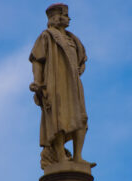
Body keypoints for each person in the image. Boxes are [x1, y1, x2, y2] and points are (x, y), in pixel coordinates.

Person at [29, 3, 93, 168]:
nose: (68, 18)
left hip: (73, 83)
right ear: (54, 18)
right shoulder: (47, 36)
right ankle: (60, 156)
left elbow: (81, 59)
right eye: (64, 15)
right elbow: (37, 60)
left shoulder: (73, 39)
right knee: (58, 118)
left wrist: (81, 67)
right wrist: (37, 82)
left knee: (81, 117)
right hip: (55, 82)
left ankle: (78, 156)